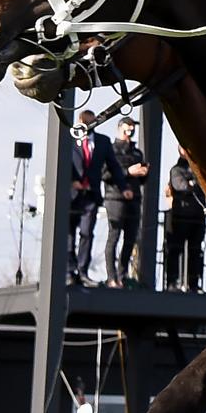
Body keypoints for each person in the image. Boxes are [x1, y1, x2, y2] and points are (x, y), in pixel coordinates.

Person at [70, 110, 127, 286]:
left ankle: (82, 270)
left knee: (87, 233)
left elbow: (113, 166)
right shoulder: (69, 138)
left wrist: (123, 187)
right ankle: (68, 271)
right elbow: (64, 161)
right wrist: (72, 181)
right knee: (68, 233)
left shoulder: (102, 141)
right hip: (72, 194)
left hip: (91, 194)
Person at [102, 116, 149, 288]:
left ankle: (122, 275)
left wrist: (143, 173)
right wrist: (128, 171)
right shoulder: (110, 149)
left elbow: (142, 181)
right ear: (120, 127)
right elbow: (105, 175)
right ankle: (111, 277)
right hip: (115, 198)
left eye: (133, 127)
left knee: (130, 238)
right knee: (113, 237)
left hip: (135, 199)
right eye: (127, 126)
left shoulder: (137, 153)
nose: (131, 130)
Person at [164, 148, 206, 292]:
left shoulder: (200, 170)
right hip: (180, 216)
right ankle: (172, 283)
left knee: (196, 251)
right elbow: (181, 186)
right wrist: (193, 184)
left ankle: (193, 284)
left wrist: (194, 184)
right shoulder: (176, 170)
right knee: (175, 250)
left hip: (197, 216)